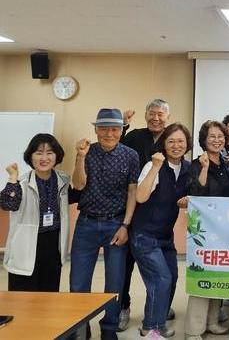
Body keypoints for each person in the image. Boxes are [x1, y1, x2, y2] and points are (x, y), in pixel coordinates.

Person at [70, 108, 139, 340]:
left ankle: (109, 330)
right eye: (104, 128)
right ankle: (81, 329)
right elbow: (78, 185)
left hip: (116, 224)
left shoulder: (131, 155)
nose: (109, 133)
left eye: (115, 129)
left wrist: (125, 226)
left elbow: (132, 192)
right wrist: (80, 157)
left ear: (121, 130)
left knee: (115, 283)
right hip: (86, 224)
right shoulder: (86, 152)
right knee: (78, 283)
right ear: (96, 130)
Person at [131, 123, 192, 339]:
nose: (176, 145)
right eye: (171, 141)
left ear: (187, 144)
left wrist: (188, 200)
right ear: (163, 144)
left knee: (172, 277)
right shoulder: (153, 165)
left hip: (165, 236)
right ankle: (150, 327)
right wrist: (155, 167)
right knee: (161, 278)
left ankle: (159, 321)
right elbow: (140, 197)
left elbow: (192, 194)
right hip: (144, 235)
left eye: (180, 141)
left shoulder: (187, 168)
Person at [119, 99, 171, 330]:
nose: (156, 118)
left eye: (160, 114)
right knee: (124, 265)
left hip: (157, 212)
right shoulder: (134, 136)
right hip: (130, 206)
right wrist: (123, 126)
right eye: (152, 113)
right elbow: (117, 150)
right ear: (146, 115)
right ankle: (123, 307)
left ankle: (160, 307)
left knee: (161, 269)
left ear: (167, 117)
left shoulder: (171, 137)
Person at [184, 121, 229, 339]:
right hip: (204, 231)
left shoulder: (225, 164)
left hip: (223, 230)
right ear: (204, 140)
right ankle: (194, 330)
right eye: (212, 136)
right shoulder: (197, 164)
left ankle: (212, 322)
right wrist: (204, 168)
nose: (217, 140)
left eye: (220, 136)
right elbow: (196, 193)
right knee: (202, 276)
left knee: (218, 275)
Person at [1, 134, 69, 292]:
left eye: (49, 153)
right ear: (30, 156)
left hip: (53, 244)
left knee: (48, 295)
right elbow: (7, 204)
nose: (44, 158)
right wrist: (12, 177)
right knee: (22, 296)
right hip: (26, 244)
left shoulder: (63, 180)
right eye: (39, 153)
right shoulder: (21, 183)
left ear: (57, 156)